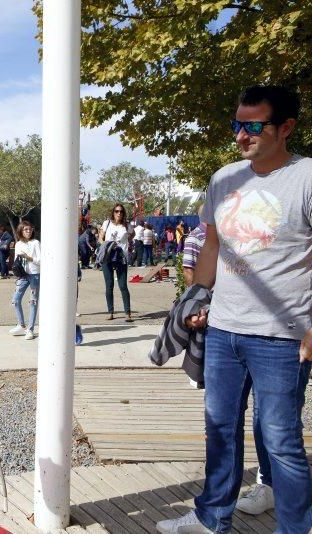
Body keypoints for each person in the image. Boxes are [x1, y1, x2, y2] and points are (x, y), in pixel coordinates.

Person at [157, 86, 312, 534]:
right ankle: (212, 518)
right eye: (237, 125)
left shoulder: (305, 177)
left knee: (281, 440)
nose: (242, 136)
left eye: (253, 126)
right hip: (223, 331)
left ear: (286, 128)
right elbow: (213, 245)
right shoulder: (225, 178)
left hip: (282, 335)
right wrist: (196, 298)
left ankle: (295, 527)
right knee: (219, 428)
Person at [100, 204, 133, 322]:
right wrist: (104, 245)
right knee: (109, 285)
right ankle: (110, 312)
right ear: (113, 212)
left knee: (123, 285)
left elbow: (132, 235)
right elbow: (101, 237)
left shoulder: (127, 226)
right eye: (116, 211)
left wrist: (125, 243)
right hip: (108, 256)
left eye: (121, 211)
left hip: (121, 257)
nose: (119, 213)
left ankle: (127, 313)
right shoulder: (106, 223)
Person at [8, 220, 40, 340]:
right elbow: (17, 261)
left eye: (30, 229)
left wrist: (28, 257)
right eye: (26, 229)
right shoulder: (18, 244)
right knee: (16, 300)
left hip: (35, 275)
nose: (28, 231)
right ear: (20, 231)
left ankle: (30, 329)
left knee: (33, 301)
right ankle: (21, 324)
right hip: (23, 275)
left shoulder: (36, 243)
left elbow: (41, 260)